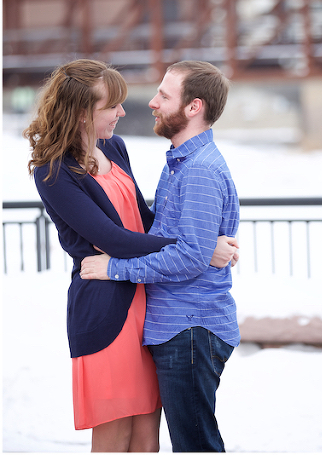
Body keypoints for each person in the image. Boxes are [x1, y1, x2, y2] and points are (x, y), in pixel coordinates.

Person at [24, 59, 238, 452]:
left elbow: (145, 223)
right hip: (106, 301)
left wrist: (194, 244)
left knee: (145, 440)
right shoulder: (54, 172)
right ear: (82, 113)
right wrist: (199, 248)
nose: (123, 112)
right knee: (114, 436)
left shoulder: (114, 147)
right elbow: (113, 239)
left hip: (148, 305)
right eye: (112, 106)